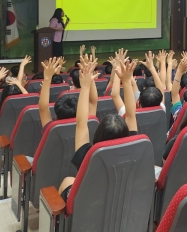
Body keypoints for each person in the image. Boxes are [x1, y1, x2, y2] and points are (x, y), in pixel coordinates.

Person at [58, 55, 138, 201]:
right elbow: (131, 115)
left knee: (68, 181)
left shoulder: (88, 156)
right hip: (121, 199)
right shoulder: (133, 146)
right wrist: (127, 81)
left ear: (98, 134)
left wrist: (85, 86)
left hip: (91, 202)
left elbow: (81, 123)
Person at [39, 57, 78, 131]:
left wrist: (47, 78)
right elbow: (93, 102)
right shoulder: (83, 126)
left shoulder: (50, 128)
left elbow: (43, 108)